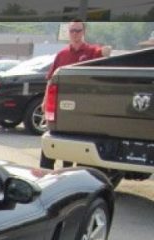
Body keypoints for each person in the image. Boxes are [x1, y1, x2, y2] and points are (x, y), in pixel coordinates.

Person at [40, 20, 111, 168]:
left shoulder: (92, 52)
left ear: (84, 32)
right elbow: (51, 80)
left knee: (79, 144)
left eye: (78, 30)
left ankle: (75, 178)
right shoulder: (62, 54)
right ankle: (45, 176)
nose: (75, 34)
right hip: (61, 107)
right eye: (72, 31)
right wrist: (45, 100)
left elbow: (106, 54)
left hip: (82, 108)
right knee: (52, 143)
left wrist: (106, 51)